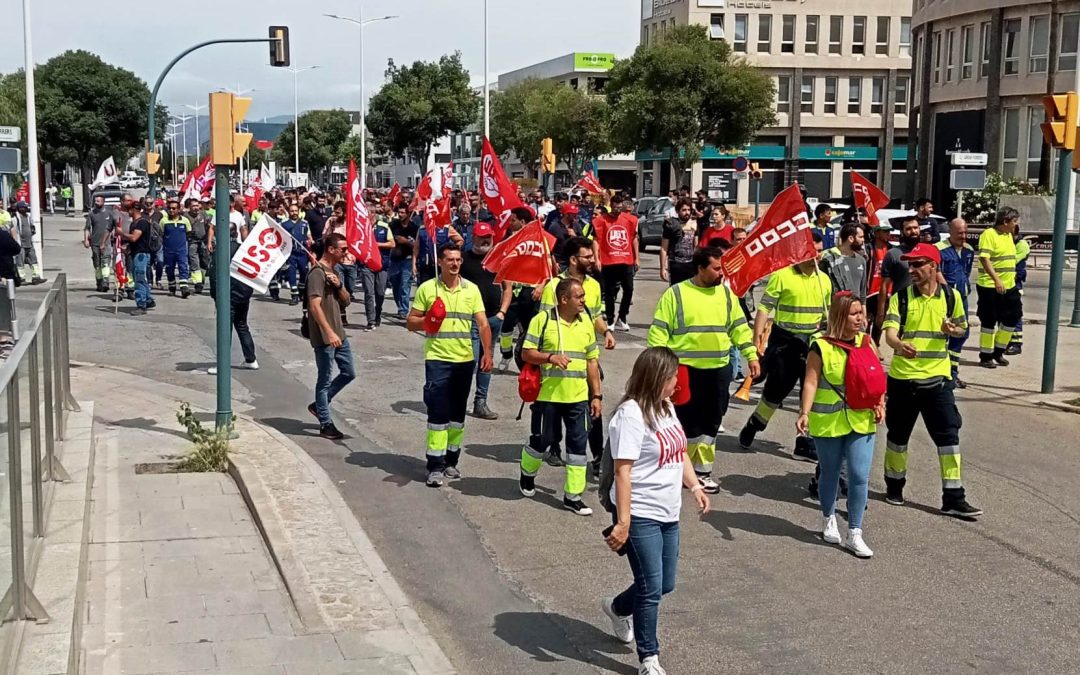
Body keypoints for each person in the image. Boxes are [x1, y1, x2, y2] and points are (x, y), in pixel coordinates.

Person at [599, 347, 710, 675]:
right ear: (657, 378)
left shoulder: (667, 408)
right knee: (650, 587)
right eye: (672, 377)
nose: (677, 384)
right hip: (641, 513)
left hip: (668, 512)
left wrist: (695, 486)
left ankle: (617, 608)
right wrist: (623, 522)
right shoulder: (630, 416)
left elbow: (680, 453)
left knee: (665, 584)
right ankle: (649, 658)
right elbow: (623, 472)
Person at [881, 242, 981, 517]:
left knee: (949, 437)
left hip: (938, 381)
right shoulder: (901, 298)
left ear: (933, 267)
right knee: (898, 438)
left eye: (917, 264)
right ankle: (894, 485)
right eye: (909, 265)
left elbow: (962, 330)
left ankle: (953, 496)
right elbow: (889, 333)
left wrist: (955, 329)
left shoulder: (951, 297)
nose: (911, 269)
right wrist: (899, 345)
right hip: (904, 382)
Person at [649, 247, 760, 492]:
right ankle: (680, 469)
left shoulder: (726, 295)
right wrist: (660, 366)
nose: (721, 273)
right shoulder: (676, 294)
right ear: (700, 268)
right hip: (684, 371)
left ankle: (703, 472)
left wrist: (750, 355)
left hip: (719, 370)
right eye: (716, 268)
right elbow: (658, 332)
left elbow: (739, 327)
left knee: (712, 420)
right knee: (685, 422)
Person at [796, 293, 882, 558]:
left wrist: (880, 403)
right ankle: (828, 516)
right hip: (829, 422)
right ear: (839, 316)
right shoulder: (819, 346)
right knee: (830, 473)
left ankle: (855, 532)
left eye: (862, 313)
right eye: (855, 314)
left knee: (858, 475)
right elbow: (811, 381)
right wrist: (804, 412)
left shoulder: (867, 342)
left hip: (861, 419)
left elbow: (876, 376)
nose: (861, 318)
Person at [739, 234, 832, 460]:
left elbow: (829, 315)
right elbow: (764, 308)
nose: (816, 256)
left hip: (813, 345)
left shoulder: (824, 280)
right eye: (812, 251)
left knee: (810, 394)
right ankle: (755, 423)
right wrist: (757, 339)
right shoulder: (782, 276)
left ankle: (803, 441)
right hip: (785, 344)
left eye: (819, 251)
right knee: (775, 393)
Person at [408, 244, 492, 487]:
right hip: (438, 359)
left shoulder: (471, 290)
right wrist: (429, 320)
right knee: (438, 413)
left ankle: (451, 460)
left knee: (457, 415)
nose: (455, 264)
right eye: (450, 260)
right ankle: (434, 465)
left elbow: (483, 324)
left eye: (458, 260)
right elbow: (410, 323)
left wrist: (487, 353)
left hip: (464, 361)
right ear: (441, 263)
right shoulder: (428, 288)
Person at [518, 277, 601, 515]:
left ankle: (573, 496)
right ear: (564, 299)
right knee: (541, 442)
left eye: (584, 296)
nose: (584, 301)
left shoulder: (586, 322)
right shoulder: (542, 320)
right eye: (579, 297)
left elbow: (592, 361)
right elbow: (526, 353)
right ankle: (527, 473)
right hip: (548, 397)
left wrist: (597, 395)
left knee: (577, 448)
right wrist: (550, 357)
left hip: (578, 398)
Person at [537, 237, 616, 472]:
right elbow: (543, 323)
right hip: (557, 360)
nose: (592, 260)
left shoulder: (593, 285)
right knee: (558, 405)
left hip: (585, 357)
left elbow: (595, 317)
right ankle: (553, 447)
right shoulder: (553, 287)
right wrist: (547, 358)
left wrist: (606, 332)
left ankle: (598, 455)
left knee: (594, 402)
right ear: (573, 259)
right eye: (587, 256)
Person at [305, 233, 356, 441]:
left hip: (340, 334)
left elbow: (347, 301)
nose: (346, 253)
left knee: (349, 372)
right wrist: (328, 331)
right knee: (324, 379)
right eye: (343, 249)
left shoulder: (334, 272)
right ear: (331, 249)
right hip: (326, 336)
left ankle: (319, 404)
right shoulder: (316, 273)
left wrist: (339, 285)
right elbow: (314, 306)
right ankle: (325, 423)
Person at [459, 222, 504, 420]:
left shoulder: (497, 258)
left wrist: (502, 312)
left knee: (487, 362)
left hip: (494, 318)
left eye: (488, 237)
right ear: (473, 237)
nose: (486, 240)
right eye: (481, 237)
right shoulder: (464, 259)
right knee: (472, 361)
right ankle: (459, 401)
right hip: (473, 321)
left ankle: (480, 403)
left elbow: (507, 286)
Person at [976, 207, 1021, 368]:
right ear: (1005, 221)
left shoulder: (1009, 235)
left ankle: (998, 351)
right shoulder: (989, 234)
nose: (1017, 224)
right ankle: (986, 356)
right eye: (1014, 221)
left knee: (1013, 317)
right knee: (989, 321)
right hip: (990, 286)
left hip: (1009, 286)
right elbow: (984, 259)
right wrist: (996, 280)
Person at [208, 233, 258, 372]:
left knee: (225, 328)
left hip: (227, 295)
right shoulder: (244, 250)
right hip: (243, 295)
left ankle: (222, 364)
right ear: (236, 234)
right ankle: (251, 359)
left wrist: (215, 295)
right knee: (242, 325)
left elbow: (214, 274)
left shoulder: (221, 250)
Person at [936, 218, 975, 387]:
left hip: (962, 298)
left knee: (961, 332)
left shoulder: (969, 250)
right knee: (945, 334)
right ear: (950, 232)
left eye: (966, 232)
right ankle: (944, 373)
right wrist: (946, 290)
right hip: (945, 298)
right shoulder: (939, 249)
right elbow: (935, 272)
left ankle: (952, 372)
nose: (964, 236)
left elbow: (967, 271)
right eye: (960, 233)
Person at [593, 194, 639, 332]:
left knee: (629, 289)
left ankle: (622, 317)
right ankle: (611, 319)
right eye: (614, 208)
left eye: (619, 208)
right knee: (610, 292)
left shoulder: (630, 220)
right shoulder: (601, 221)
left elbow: (634, 239)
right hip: (609, 261)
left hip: (626, 260)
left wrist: (637, 258)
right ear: (610, 206)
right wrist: (596, 259)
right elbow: (595, 240)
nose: (617, 211)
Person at [874, 216, 920, 330]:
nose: (913, 231)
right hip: (902, 306)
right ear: (902, 232)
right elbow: (884, 285)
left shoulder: (929, 251)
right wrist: (880, 312)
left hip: (925, 305)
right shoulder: (893, 254)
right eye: (909, 229)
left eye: (915, 227)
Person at [114, 202, 154, 315]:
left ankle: (141, 305)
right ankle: (148, 299)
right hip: (136, 253)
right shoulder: (134, 223)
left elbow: (134, 237)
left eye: (129, 209)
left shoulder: (142, 223)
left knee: (139, 279)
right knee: (140, 278)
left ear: (134, 210)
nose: (127, 211)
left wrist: (122, 233)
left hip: (142, 254)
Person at [323, 202, 356, 326]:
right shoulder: (331, 222)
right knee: (338, 286)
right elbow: (325, 239)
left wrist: (350, 253)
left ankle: (344, 303)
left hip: (349, 260)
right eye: (334, 212)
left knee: (350, 287)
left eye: (338, 213)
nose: (335, 215)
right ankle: (341, 315)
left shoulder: (351, 223)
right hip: (336, 261)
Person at [362, 205, 394, 330]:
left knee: (380, 293)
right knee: (369, 293)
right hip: (366, 265)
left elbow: (392, 243)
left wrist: (377, 244)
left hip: (382, 264)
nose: (372, 214)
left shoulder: (384, 226)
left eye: (374, 212)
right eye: (370, 212)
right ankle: (370, 321)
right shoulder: (362, 227)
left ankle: (378, 313)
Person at [819, 223, 867, 301]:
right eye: (860, 237)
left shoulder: (861, 260)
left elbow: (862, 294)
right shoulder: (829, 259)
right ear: (851, 238)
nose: (863, 240)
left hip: (855, 310)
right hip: (835, 309)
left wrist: (863, 312)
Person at [864, 221, 892, 344]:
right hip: (870, 291)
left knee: (879, 320)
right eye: (885, 231)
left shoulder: (891, 250)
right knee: (866, 320)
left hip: (885, 290)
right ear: (877, 233)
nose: (888, 234)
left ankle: (875, 345)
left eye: (889, 231)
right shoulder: (868, 249)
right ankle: (864, 345)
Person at [389, 205, 418, 318]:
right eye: (399, 213)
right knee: (395, 285)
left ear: (408, 214)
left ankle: (403, 310)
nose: (400, 215)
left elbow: (417, 244)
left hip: (408, 260)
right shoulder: (393, 225)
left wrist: (406, 241)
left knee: (405, 285)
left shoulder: (414, 227)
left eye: (402, 213)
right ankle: (400, 305)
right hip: (395, 259)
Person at [659, 199, 697, 285]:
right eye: (683, 210)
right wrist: (662, 268)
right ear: (677, 211)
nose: (687, 212)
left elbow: (696, 247)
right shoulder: (671, 225)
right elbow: (664, 248)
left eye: (689, 210)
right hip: (675, 263)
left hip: (690, 264)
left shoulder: (694, 225)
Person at [282, 204, 314, 306]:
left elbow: (309, 236)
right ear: (289, 212)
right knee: (291, 273)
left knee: (304, 273)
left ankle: (301, 292)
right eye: (292, 211)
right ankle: (294, 296)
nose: (294, 213)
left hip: (302, 252)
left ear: (299, 211)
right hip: (291, 253)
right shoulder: (284, 224)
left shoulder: (304, 223)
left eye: (296, 211)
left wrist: (310, 241)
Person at [159, 199, 191, 298]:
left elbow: (188, 233)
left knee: (183, 267)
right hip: (168, 250)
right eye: (169, 208)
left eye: (174, 208)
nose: (171, 210)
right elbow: (161, 234)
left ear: (178, 209)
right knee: (169, 269)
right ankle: (172, 286)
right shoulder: (164, 221)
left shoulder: (185, 221)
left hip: (181, 250)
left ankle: (184, 288)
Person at [1006, 226, 1030, 356]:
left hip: (1015, 286)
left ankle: (1016, 343)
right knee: (1004, 316)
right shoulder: (1010, 244)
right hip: (1005, 284)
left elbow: (1011, 261)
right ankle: (1007, 341)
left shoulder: (1022, 245)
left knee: (1015, 315)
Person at [547, 203, 582, 270]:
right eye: (573, 214)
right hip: (560, 263)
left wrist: (575, 236)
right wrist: (554, 262)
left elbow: (583, 242)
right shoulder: (554, 227)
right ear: (566, 214)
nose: (575, 215)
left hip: (573, 261)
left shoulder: (576, 225)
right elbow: (549, 247)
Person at [186, 199, 211, 294]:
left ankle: (202, 278)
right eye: (193, 206)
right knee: (194, 262)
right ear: (189, 207)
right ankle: (198, 283)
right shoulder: (185, 216)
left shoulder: (204, 214)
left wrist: (210, 241)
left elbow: (209, 228)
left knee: (205, 262)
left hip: (203, 242)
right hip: (192, 242)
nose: (196, 208)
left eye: (197, 205)